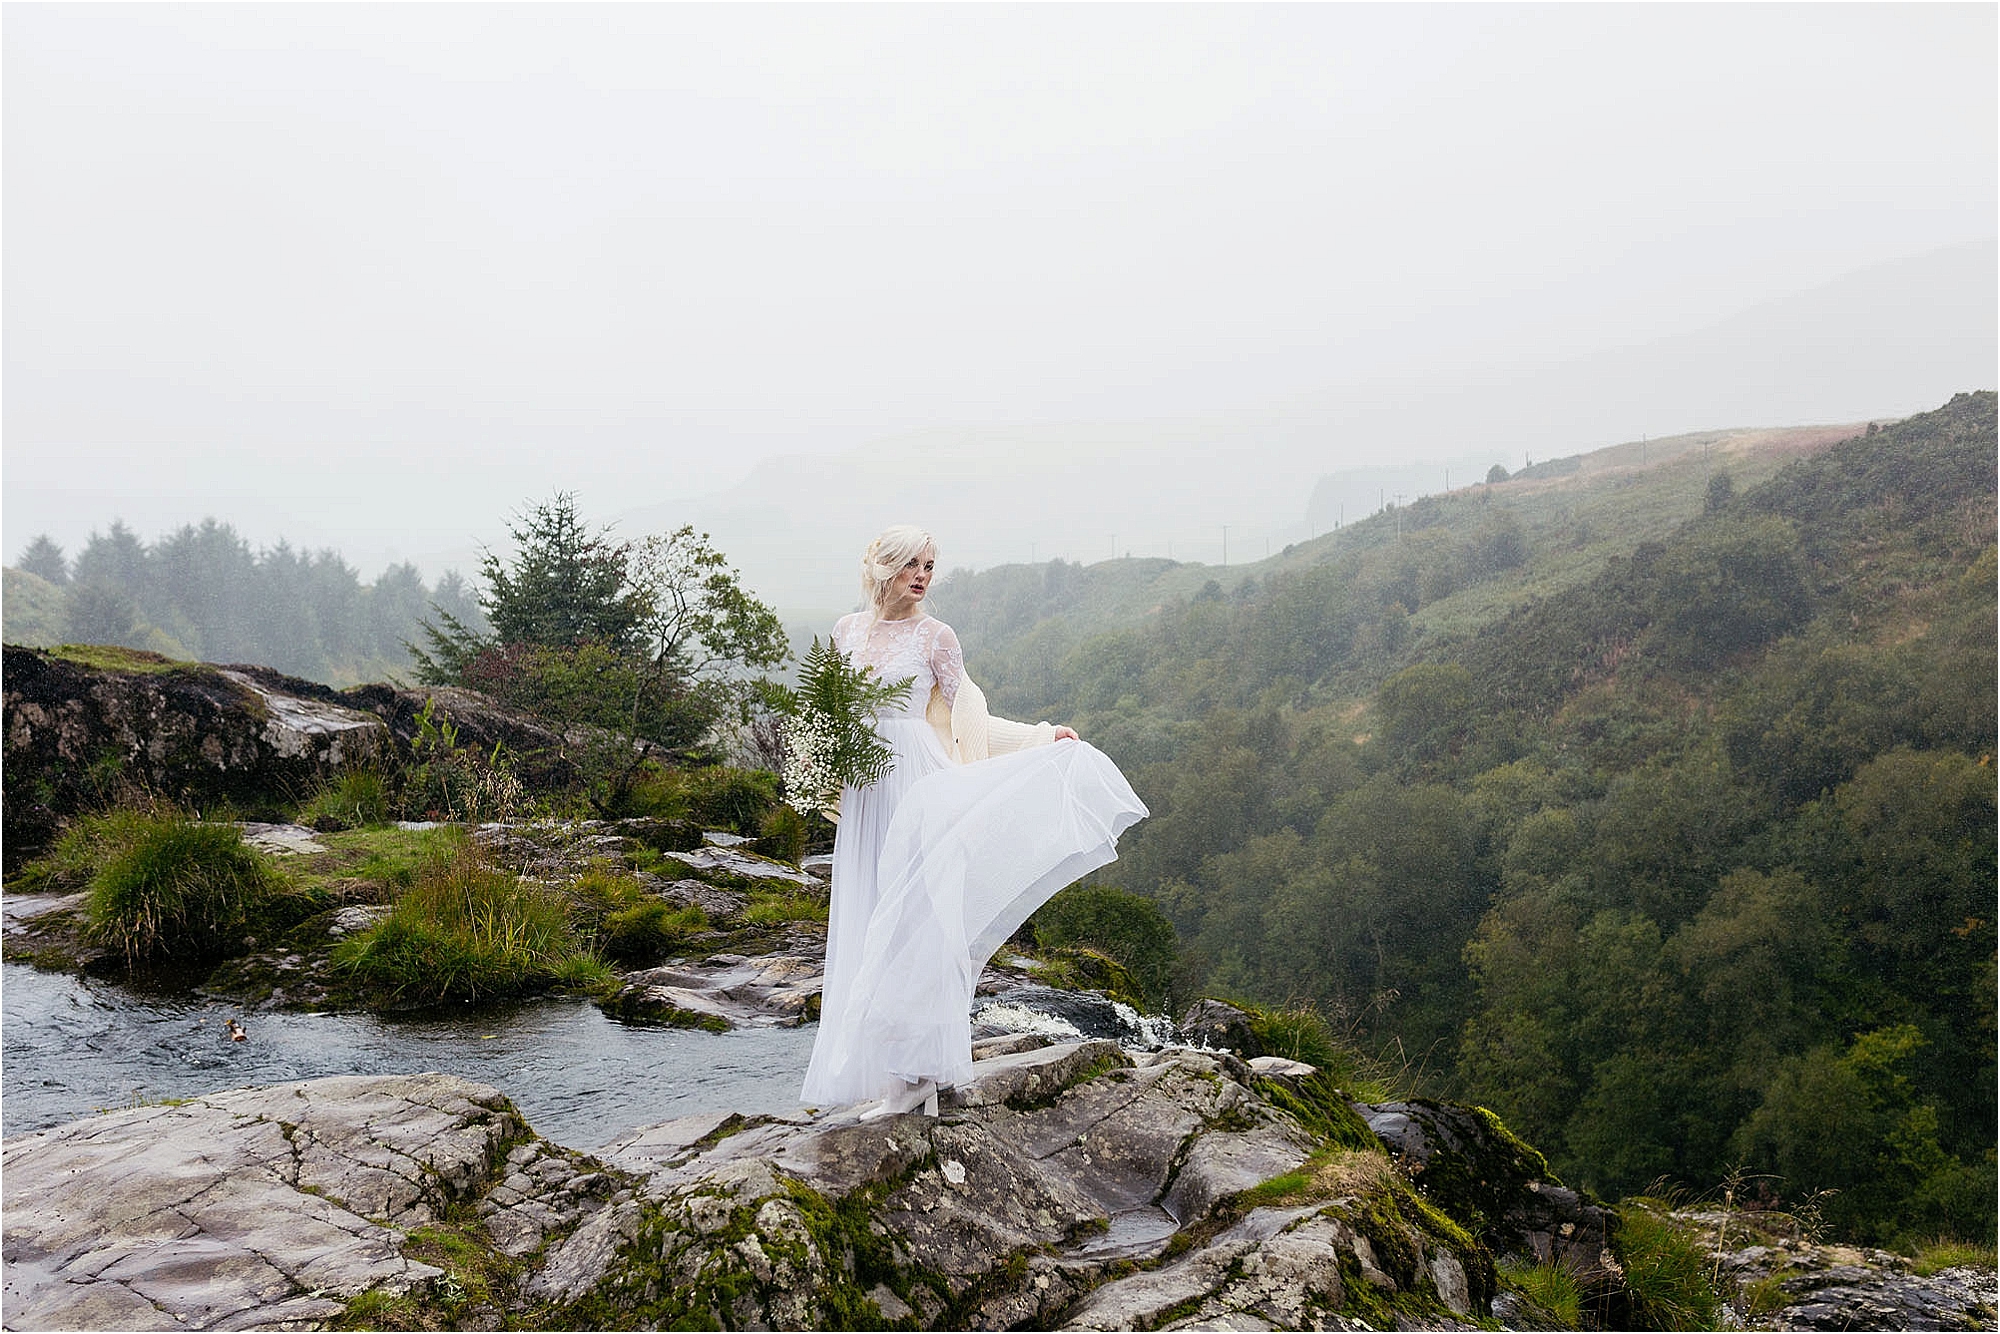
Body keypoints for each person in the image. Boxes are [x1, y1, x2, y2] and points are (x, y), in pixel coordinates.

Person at [799, 525, 1149, 1119]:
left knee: (920, 921)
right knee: (869, 914)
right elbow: (827, 715)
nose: (922, 575)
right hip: (866, 792)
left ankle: (918, 1075)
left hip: (918, 784)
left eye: (930, 565)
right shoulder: (845, 631)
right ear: (883, 567)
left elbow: (972, 718)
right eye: (912, 563)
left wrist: (1042, 738)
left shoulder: (937, 637)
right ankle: (885, 1072)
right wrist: (814, 768)